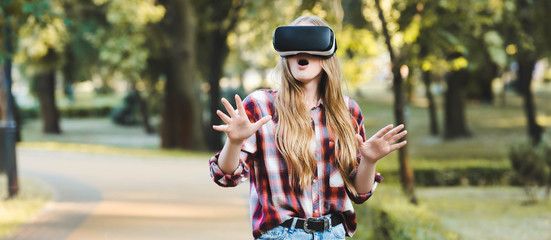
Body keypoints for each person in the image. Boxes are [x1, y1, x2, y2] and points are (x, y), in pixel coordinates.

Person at [209, 15, 407, 239]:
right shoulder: (260, 106)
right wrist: (234, 143)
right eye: (293, 44)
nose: (301, 51)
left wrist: (370, 161)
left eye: (311, 42)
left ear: (327, 53)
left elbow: (359, 192)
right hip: (281, 234)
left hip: (334, 233)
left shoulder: (348, 111)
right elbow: (226, 177)